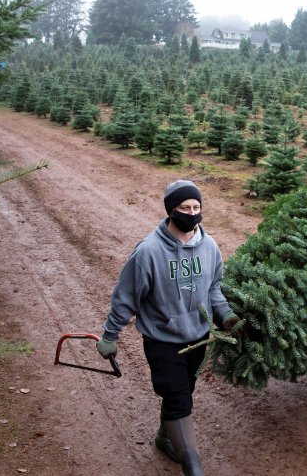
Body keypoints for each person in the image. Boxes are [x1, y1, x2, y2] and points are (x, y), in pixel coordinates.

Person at [96, 180, 239, 476]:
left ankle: (165, 437)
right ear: (171, 210)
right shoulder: (148, 252)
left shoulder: (209, 246)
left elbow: (214, 287)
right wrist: (110, 335)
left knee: (185, 391)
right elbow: (126, 298)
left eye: (197, 207)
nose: (192, 213)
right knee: (177, 398)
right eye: (185, 208)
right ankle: (193, 467)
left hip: (199, 337)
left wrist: (224, 314)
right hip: (163, 340)